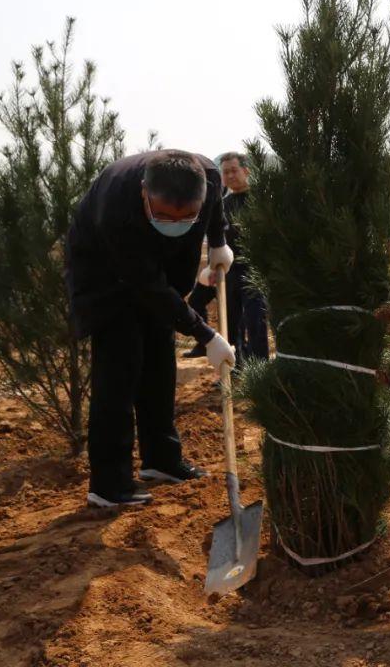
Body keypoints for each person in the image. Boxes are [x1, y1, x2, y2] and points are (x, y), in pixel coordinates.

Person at [66, 150, 236, 508]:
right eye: (163, 215)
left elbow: (215, 208)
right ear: (145, 191)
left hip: (155, 269)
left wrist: (218, 243)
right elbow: (146, 285)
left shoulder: (208, 175)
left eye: (187, 217)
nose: (174, 223)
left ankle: (162, 460)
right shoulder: (116, 206)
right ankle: (109, 484)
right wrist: (206, 335)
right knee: (119, 371)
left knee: (160, 365)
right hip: (105, 277)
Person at [183, 153, 269, 366]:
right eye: (226, 172)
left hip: (254, 270)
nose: (230, 175)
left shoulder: (260, 201)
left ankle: (260, 369)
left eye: (234, 170)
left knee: (255, 320)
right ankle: (236, 368)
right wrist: (213, 266)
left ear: (246, 171)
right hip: (228, 270)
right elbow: (216, 240)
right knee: (231, 323)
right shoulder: (222, 204)